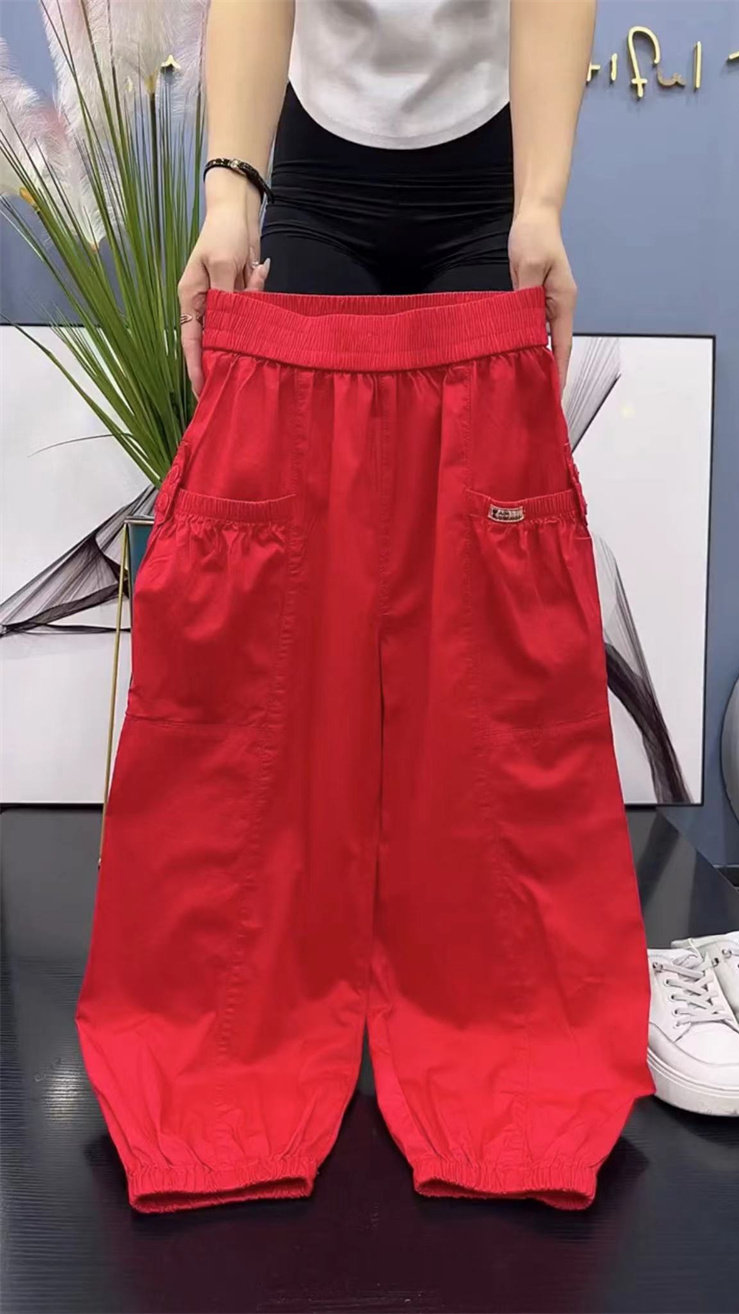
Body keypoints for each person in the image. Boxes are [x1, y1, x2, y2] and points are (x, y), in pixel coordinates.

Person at [76, 0, 655, 1215]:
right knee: (272, 658)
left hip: (487, 164)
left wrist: (540, 203)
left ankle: (507, 1045)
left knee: (487, 666)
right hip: (321, 164)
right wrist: (231, 193)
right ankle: (226, 1039)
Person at [179, 0, 593, 397]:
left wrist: (539, 209)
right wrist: (229, 204)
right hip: (320, 174)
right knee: (299, 427)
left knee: (489, 431)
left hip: (482, 179)